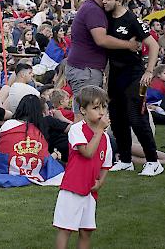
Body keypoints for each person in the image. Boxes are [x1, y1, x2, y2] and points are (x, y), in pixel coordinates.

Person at [102, 0, 162, 176]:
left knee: (137, 118)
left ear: (119, 1)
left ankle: (153, 162)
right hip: (115, 76)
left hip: (134, 74)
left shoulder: (132, 20)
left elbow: (153, 45)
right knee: (118, 119)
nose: (104, 2)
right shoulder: (106, 18)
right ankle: (126, 160)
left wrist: (149, 71)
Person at [66, 0, 139, 118]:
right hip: (85, 71)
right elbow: (101, 39)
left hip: (84, 69)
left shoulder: (91, 7)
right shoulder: (93, 10)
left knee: (87, 117)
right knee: (85, 118)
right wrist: (129, 45)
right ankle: (79, 141)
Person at [53, 86, 112, 249]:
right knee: (66, 229)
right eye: (95, 107)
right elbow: (87, 152)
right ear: (83, 110)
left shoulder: (105, 138)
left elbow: (106, 165)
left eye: (104, 107)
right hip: (72, 187)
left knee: (86, 232)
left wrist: (100, 183)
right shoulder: (76, 129)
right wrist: (99, 131)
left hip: (90, 192)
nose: (101, 112)